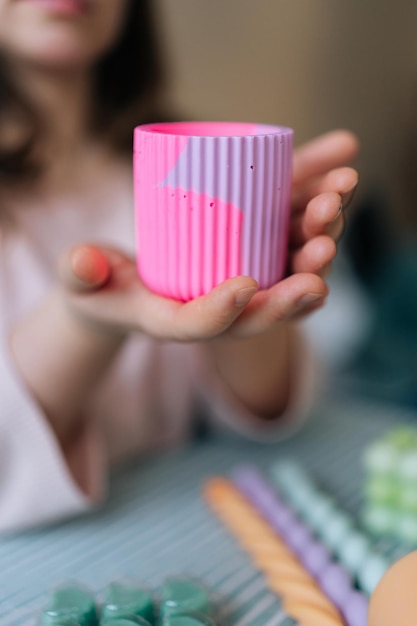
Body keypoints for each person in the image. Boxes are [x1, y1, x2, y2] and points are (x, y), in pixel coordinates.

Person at [0, 0, 359, 532]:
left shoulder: (187, 162)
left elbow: (264, 413)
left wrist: (256, 292)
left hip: (198, 526)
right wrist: (84, 322)